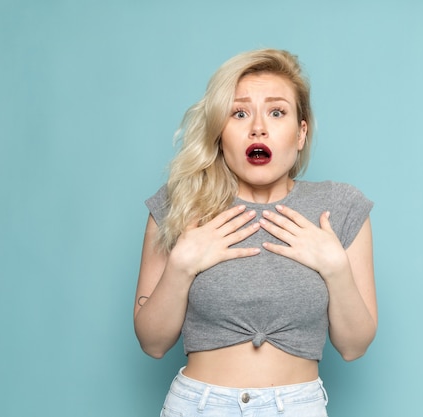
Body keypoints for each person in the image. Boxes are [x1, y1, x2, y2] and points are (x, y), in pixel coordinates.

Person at [134, 48, 377, 417]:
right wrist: (181, 266)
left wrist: (335, 268)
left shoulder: (339, 206)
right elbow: (152, 343)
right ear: (219, 132)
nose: (258, 127)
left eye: (277, 112)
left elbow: (354, 346)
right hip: (198, 406)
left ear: (300, 132)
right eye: (239, 112)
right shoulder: (181, 205)